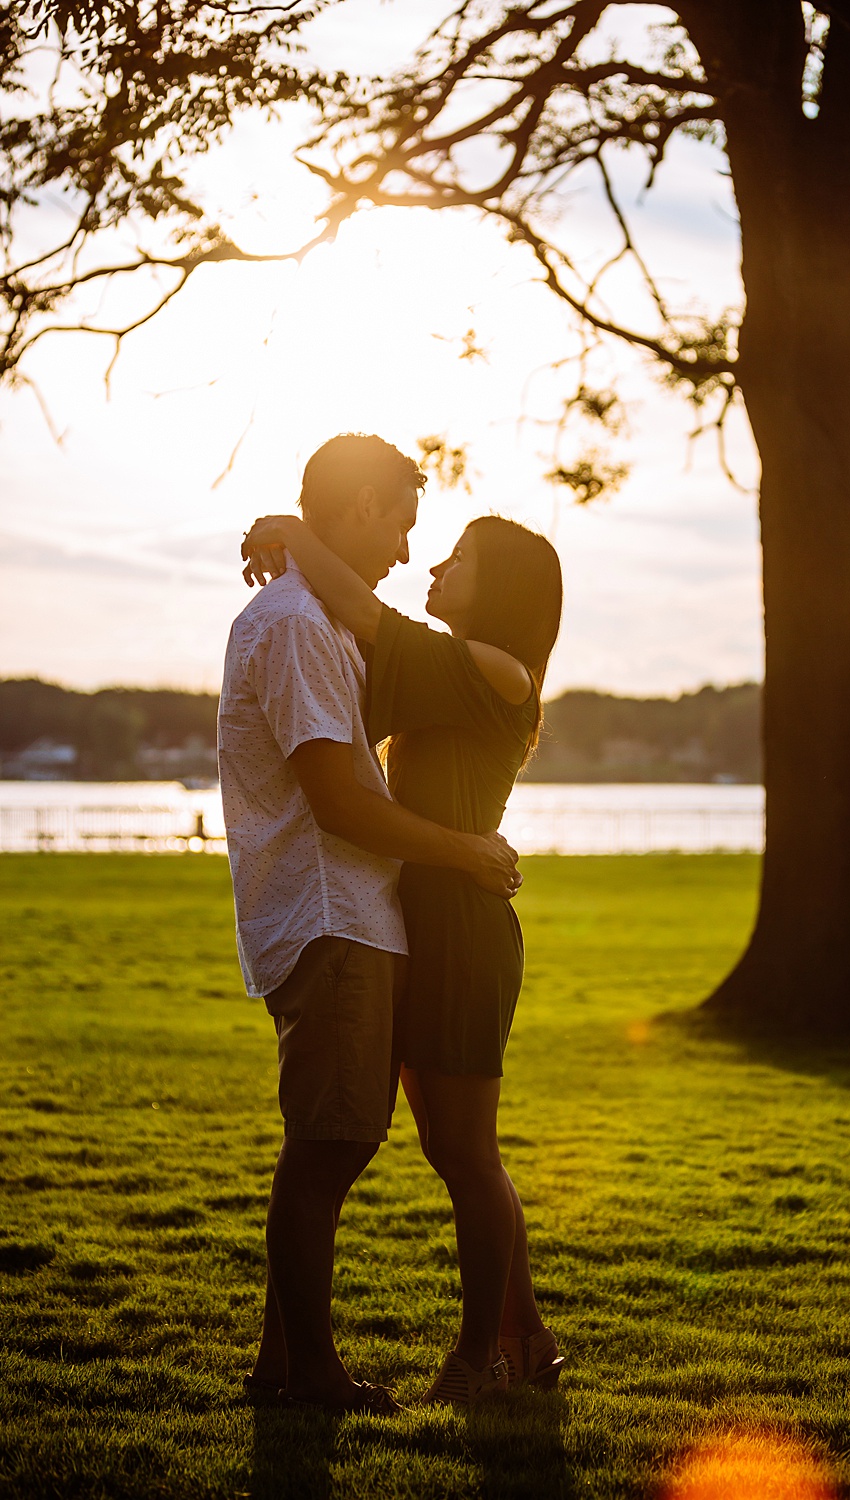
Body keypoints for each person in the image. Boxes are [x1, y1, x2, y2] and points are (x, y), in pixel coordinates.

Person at [218, 434, 521, 1417]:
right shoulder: (303, 627)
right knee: (333, 1148)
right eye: (398, 521)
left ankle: (293, 1364)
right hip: (334, 915)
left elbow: (376, 621)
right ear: (355, 510)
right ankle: (307, 1373)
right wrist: (469, 851)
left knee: (366, 1145)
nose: (405, 549)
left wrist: (292, 534)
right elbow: (340, 803)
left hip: (368, 920)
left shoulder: (351, 630)